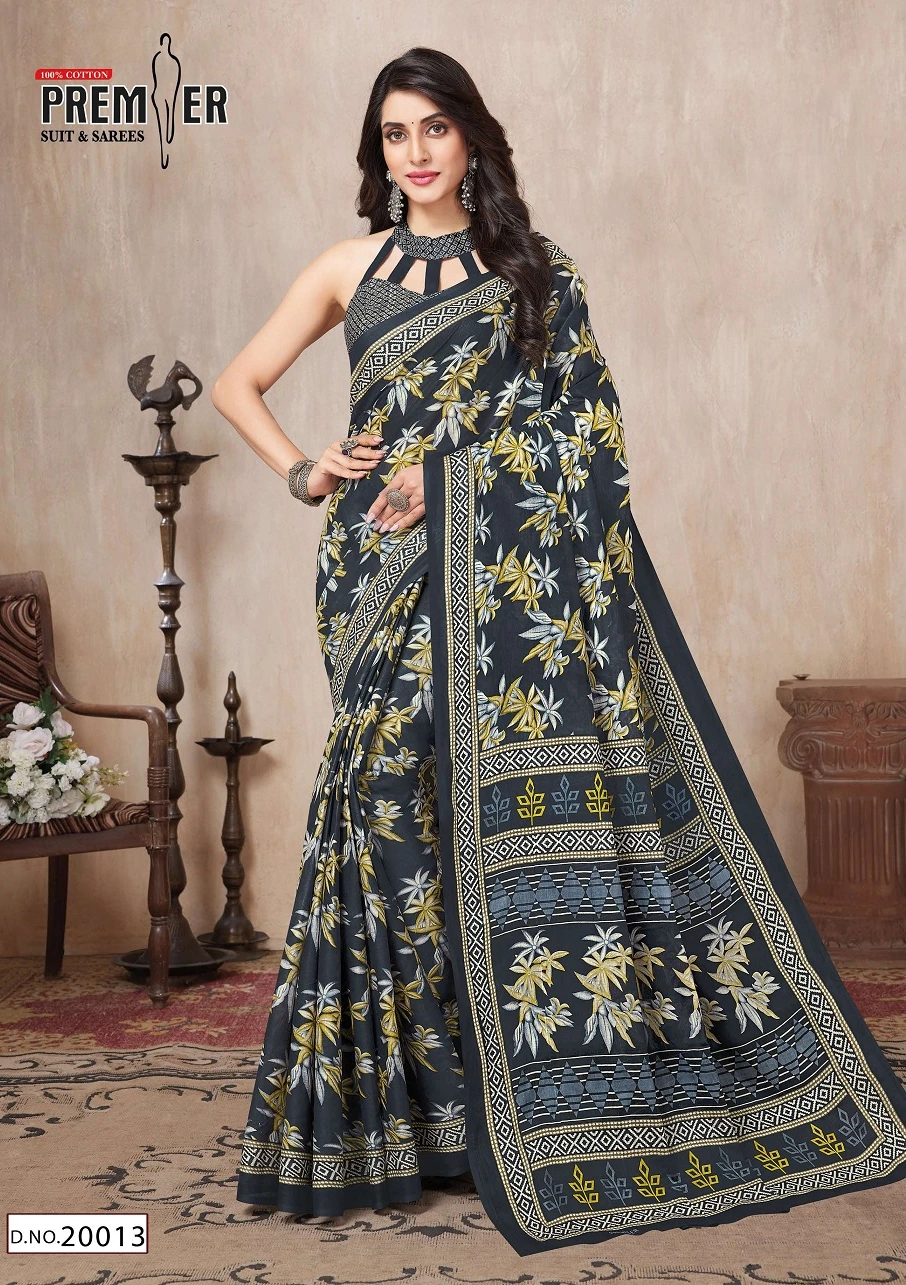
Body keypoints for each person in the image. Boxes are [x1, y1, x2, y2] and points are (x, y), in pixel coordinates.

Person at [211, 46, 906, 1258]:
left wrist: (450, 475)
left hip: (497, 579)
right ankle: (411, 1115)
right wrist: (306, 471)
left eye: (434, 129)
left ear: (473, 137)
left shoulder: (534, 272)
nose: (415, 153)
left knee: (460, 813)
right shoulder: (345, 268)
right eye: (394, 135)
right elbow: (240, 383)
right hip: (375, 578)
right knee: (385, 812)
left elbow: (588, 436)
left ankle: (492, 1099)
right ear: (377, 152)